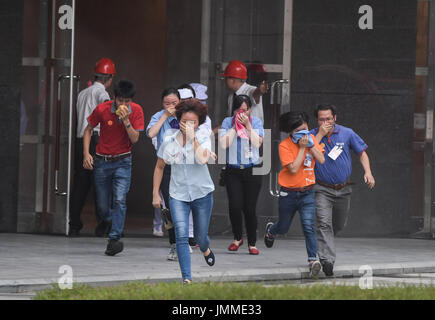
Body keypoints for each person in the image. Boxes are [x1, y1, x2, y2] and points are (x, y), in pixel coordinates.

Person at [152, 98, 215, 284]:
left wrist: (192, 138)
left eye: (193, 122)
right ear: (178, 120)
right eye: (185, 121)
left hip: (202, 194)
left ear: (199, 123)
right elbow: (159, 167)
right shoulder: (169, 141)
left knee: (200, 237)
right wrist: (155, 193)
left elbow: (203, 159)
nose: (188, 125)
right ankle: (186, 279)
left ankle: (206, 248)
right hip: (177, 195)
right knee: (181, 234)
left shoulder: (203, 138)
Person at [310, 104, 375, 277]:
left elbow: (362, 153)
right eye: (322, 119)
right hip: (321, 188)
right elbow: (308, 155)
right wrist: (320, 135)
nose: (326, 122)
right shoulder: (312, 135)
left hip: (343, 189)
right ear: (317, 120)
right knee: (324, 223)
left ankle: (325, 247)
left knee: (338, 225)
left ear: (335, 118)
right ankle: (327, 261)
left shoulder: (347, 133)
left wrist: (368, 172)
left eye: (329, 119)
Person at [83, 80, 144, 256]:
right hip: (102, 161)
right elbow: (88, 129)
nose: (123, 105)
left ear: (131, 100)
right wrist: (86, 154)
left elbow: (135, 139)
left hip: (123, 162)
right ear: (114, 98)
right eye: (120, 101)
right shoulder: (102, 109)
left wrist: (126, 121)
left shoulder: (137, 111)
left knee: (119, 200)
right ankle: (112, 221)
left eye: (127, 101)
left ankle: (114, 238)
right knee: (102, 206)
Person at [264, 111, 325, 278]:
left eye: (304, 129)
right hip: (288, 193)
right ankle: (272, 230)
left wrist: (311, 145)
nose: (302, 134)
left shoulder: (311, 140)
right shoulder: (285, 145)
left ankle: (313, 260)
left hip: (307, 192)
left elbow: (321, 159)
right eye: (298, 131)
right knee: (283, 227)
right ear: (290, 132)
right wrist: (302, 149)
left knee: (308, 226)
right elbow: (292, 168)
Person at [146, 88, 200, 260]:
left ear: (180, 102)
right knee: (169, 208)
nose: (170, 106)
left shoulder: (186, 115)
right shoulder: (158, 116)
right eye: (166, 103)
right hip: (167, 165)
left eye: (174, 103)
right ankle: (175, 245)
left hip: (185, 165)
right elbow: (151, 133)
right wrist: (164, 117)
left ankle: (184, 241)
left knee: (184, 205)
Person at [68, 57, 116, 237]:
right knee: (101, 183)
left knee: (80, 183)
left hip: (81, 140)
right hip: (96, 140)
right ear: (109, 78)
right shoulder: (102, 94)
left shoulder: (82, 93)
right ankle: (104, 224)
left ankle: (74, 224)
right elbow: (106, 117)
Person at [219, 95, 264, 255]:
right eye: (239, 110)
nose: (242, 113)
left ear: (250, 110)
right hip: (233, 170)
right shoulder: (227, 122)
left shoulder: (256, 122)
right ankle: (237, 238)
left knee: (249, 208)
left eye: (245, 110)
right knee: (235, 206)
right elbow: (224, 144)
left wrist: (248, 126)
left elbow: (258, 142)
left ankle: (252, 243)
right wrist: (234, 127)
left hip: (252, 169)